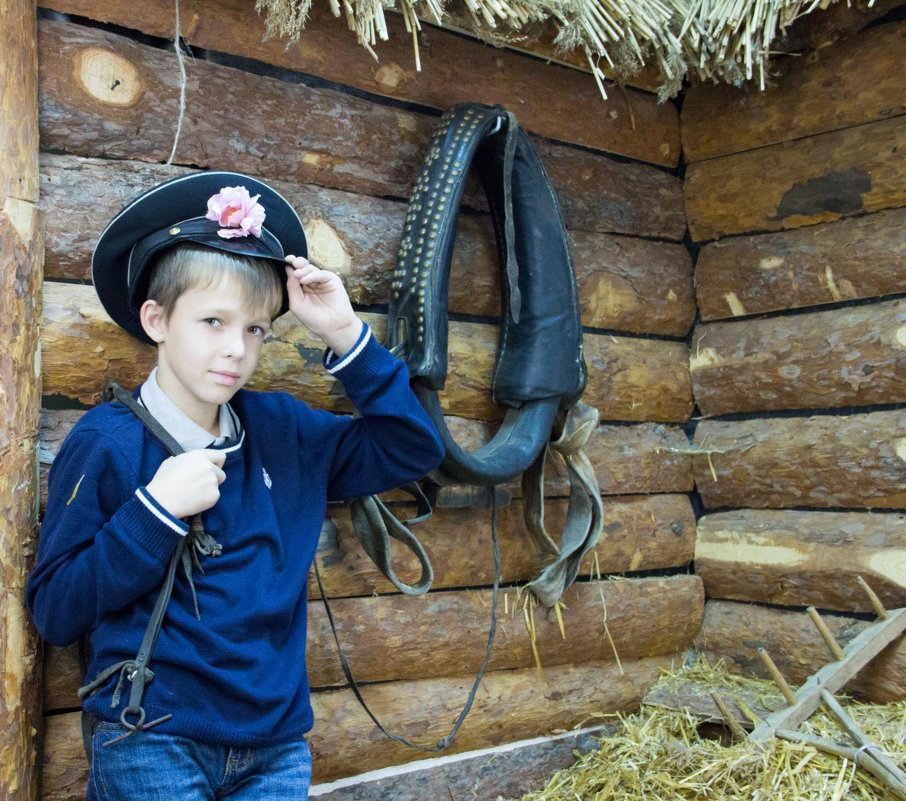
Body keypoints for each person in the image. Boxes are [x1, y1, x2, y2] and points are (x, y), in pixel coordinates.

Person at [26, 171, 444, 800]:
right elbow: (56, 611)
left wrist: (344, 334)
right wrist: (155, 514)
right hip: (151, 740)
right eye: (213, 321)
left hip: (275, 751)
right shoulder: (109, 443)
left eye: (255, 330)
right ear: (157, 319)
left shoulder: (283, 430)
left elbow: (412, 447)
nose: (236, 351)